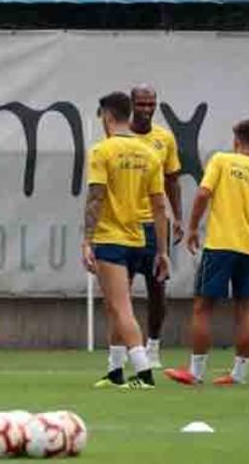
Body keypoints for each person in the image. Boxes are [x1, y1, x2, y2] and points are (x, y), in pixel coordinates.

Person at [165, 120, 249, 386]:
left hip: (219, 246)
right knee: (246, 311)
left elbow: (203, 194)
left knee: (203, 307)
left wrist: (193, 228)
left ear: (235, 141)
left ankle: (195, 372)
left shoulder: (222, 161)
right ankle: (238, 374)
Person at [82, 92, 169, 390]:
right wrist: (162, 250)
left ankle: (144, 373)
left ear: (107, 117)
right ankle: (115, 370)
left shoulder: (102, 151)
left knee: (121, 308)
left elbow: (95, 198)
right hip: (138, 238)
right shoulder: (150, 154)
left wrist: (86, 241)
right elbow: (159, 206)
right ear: (128, 115)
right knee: (115, 307)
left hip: (111, 238)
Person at [129, 84, 184, 368]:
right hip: (124, 223)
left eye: (151, 104)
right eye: (141, 104)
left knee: (158, 288)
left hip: (155, 223)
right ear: (131, 104)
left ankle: (153, 347)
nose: (147, 110)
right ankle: (120, 351)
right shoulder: (118, 136)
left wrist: (179, 218)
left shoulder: (164, 138)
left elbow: (172, 181)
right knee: (119, 292)